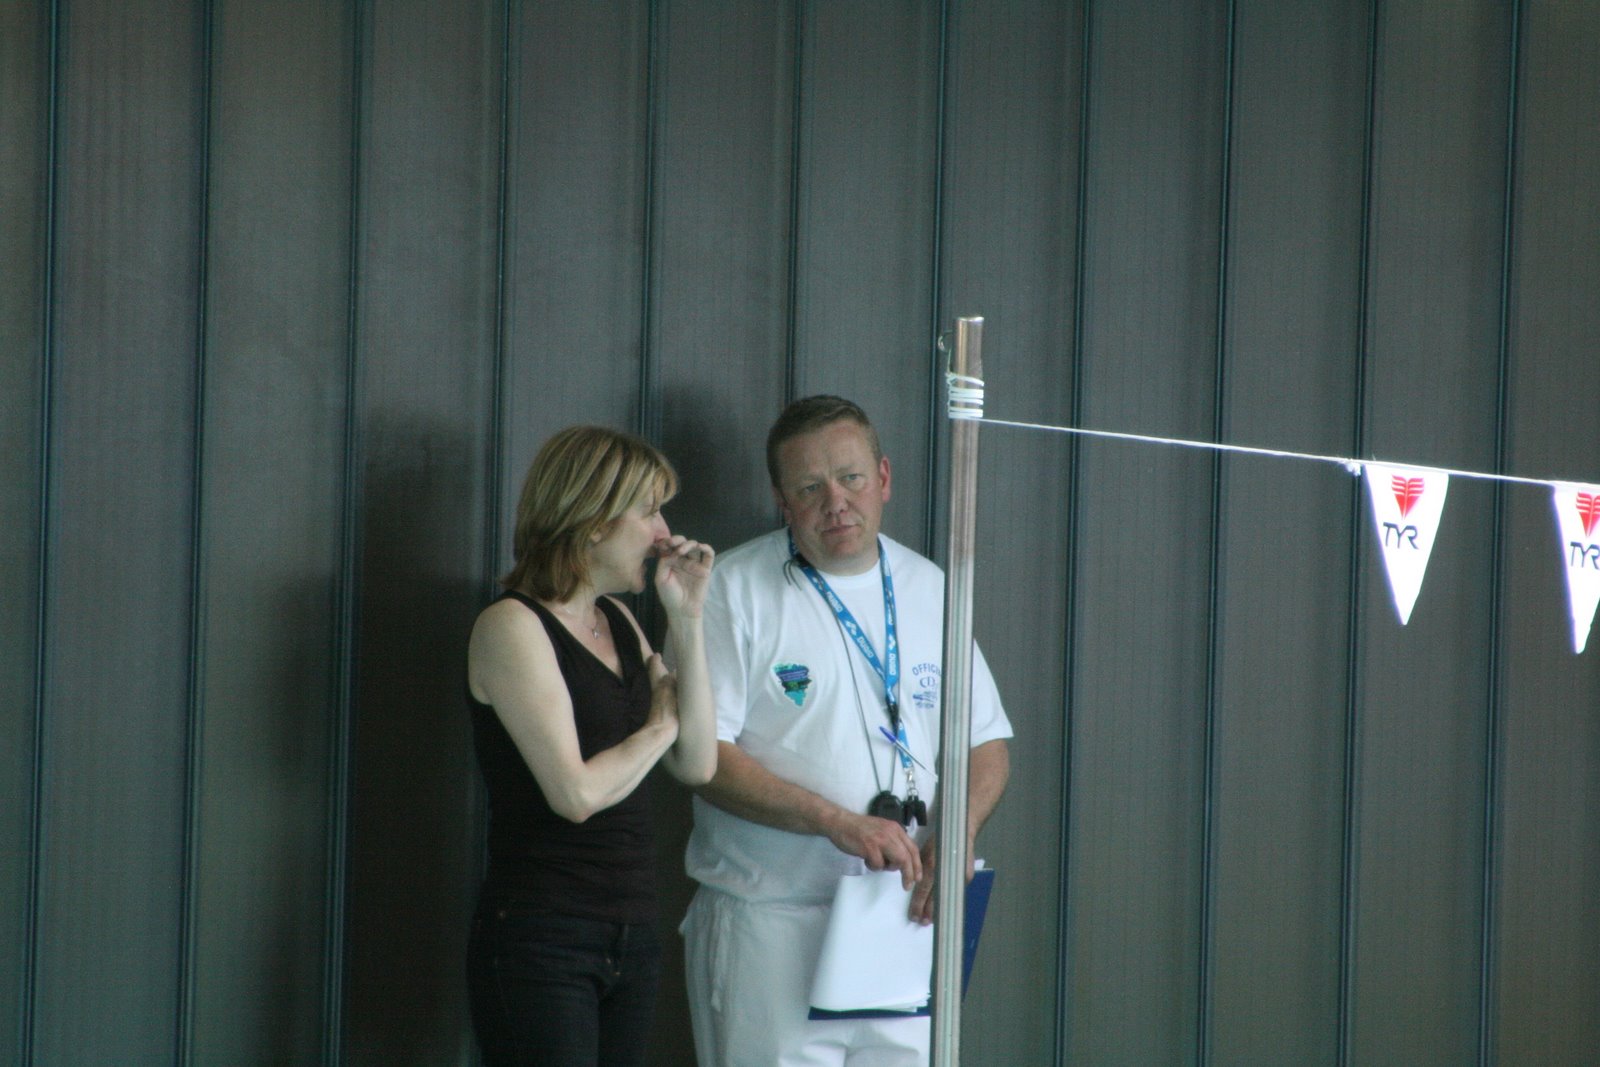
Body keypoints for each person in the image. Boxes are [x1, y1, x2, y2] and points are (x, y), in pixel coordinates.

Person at [681, 395, 1012, 1066]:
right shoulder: (729, 591)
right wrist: (834, 821)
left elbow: (986, 742)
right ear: (782, 501)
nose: (836, 501)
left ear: (883, 478)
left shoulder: (929, 586)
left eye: (851, 477)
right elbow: (702, 758)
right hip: (772, 919)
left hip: (902, 916)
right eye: (810, 487)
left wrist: (959, 831)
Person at [465, 425, 717, 1067]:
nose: (664, 532)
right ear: (594, 521)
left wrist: (687, 619)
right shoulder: (511, 625)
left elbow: (697, 762)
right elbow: (574, 794)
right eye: (649, 511)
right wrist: (657, 728)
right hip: (542, 936)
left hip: (631, 931)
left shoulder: (621, 620)